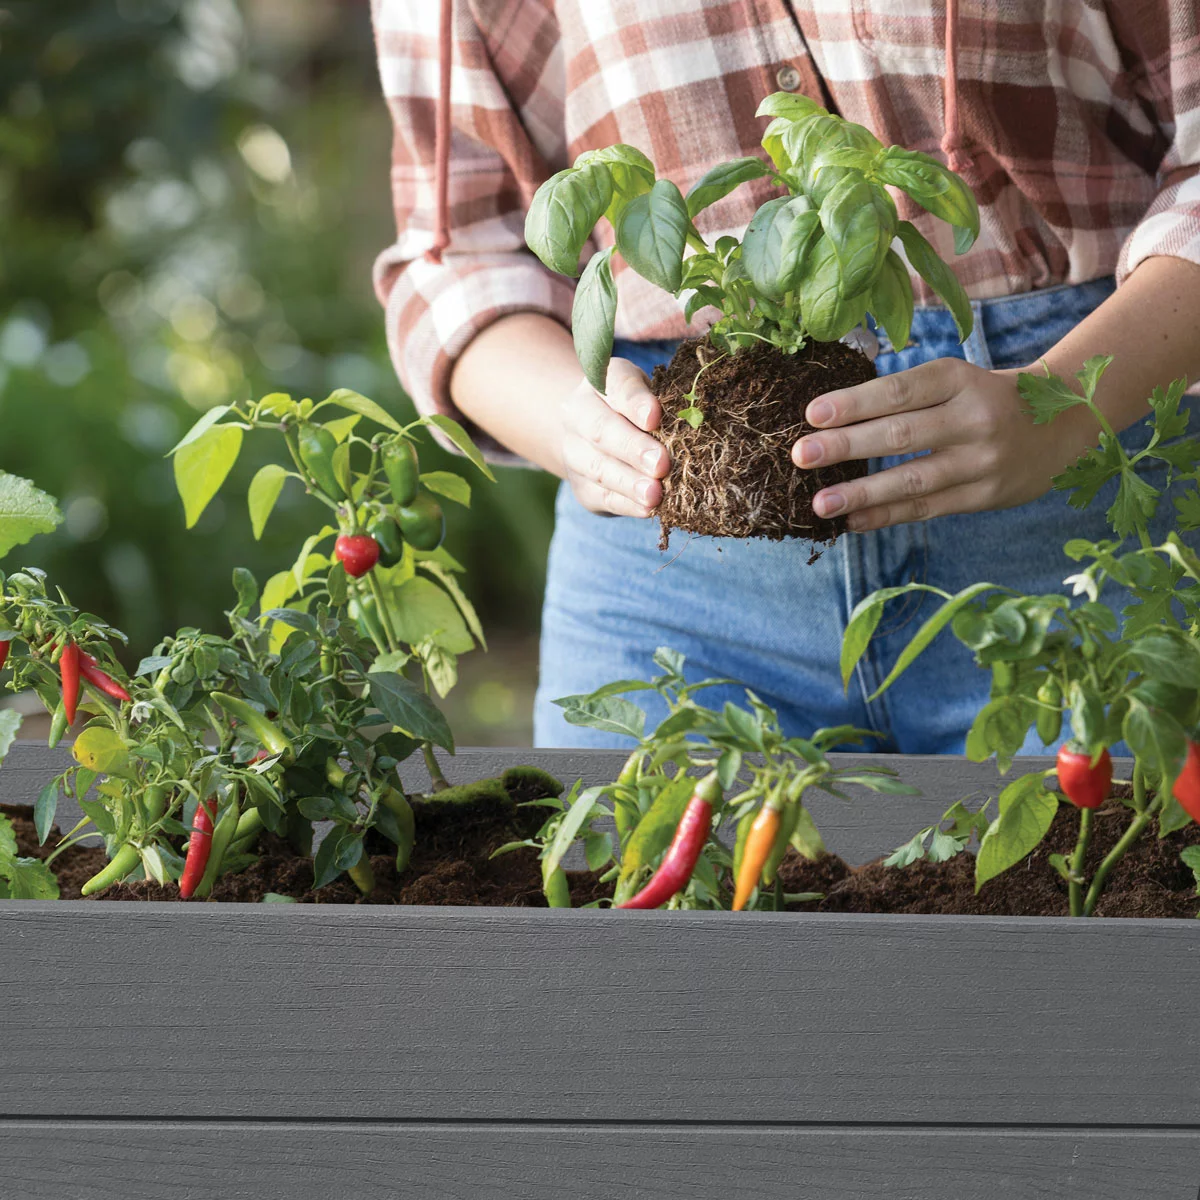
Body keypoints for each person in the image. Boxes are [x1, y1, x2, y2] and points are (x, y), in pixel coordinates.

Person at [371, 1, 1200, 750]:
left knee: (1103, 904)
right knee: (632, 913)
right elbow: (456, 255)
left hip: (1078, 473)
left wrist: (1058, 404)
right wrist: (573, 425)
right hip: (673, 557)